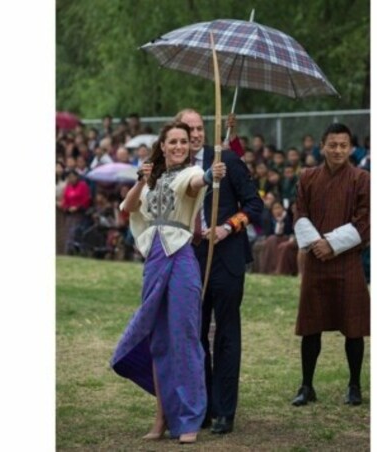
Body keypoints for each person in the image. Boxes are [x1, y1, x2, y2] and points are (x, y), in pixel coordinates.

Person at [110, 121, 226, 445]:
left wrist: (210, 175)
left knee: (185, 336)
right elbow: (128, 208)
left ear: (190, 146)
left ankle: (189, 417)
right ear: (162, 145)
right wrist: (140, 180)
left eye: (184, 142)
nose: (178, 146)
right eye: (172, 141)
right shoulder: (153, 178)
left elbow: (194, 183)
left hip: (182, 259)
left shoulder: (191, 174)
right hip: (154, 262)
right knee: (158, 340)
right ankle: (161, 416)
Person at [176, 108, 263, 435]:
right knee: (195, 334)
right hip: (188, 261)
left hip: (226, 259)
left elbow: (254, 205)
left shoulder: (226, 160)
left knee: (226, 333)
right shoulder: (173, 166)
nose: (195, 134)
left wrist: (228, 226)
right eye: (188, 129)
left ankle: (226, 410)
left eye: (199, 128)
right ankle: (204, 407)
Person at [290, 123, 370, 407]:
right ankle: (306, 385)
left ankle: (354, 385)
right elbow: (299, 211)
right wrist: (316, 243)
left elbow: (365, 220)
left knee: (354, 327)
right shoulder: (308, 177)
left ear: (351, 148)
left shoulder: (362, 179)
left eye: (343, 145)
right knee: (311, 325)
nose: (338, 150)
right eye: (333, 145)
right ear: (322, 146)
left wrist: (333, 244)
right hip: (316, 260)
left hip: (347, 261)